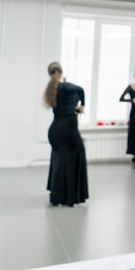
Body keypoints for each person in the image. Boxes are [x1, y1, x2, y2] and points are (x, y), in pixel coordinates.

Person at [44, 62, 89, 207]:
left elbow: (65, 107)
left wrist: (76, 109)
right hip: (68, 128)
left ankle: (57, 196)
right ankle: (70, 196)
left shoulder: (52, 88)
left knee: (61, 160)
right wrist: (82, 106)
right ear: (60, 71)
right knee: (77, 154)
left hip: (56, 130)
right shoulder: (64, 86)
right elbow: (81, 90)